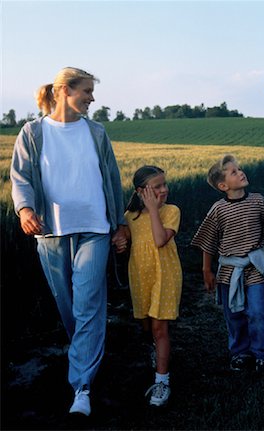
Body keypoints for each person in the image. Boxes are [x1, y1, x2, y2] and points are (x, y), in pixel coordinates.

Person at [10, 67, 128, 417]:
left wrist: (119, 224)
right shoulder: (32, 132)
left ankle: (82, 387)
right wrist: (25, 209)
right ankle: (88, 358)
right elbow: (21, 177)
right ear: (64, 91)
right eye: (87, 91)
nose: (92, 98)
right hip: (50, 232)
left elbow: (111, 177)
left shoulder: (96, 132)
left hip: (95, 228)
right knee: (69, 306)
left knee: (89, 303)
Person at [191, 154, 264, 373]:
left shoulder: (258, 201)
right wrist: (206, 270)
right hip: (229, 271)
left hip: (255, 269)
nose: (241, 172)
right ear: (223, 185)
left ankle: (262, 352)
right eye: (234, 172)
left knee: (257, 311)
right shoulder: (218, 210)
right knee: (233, 314)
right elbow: (208, 242)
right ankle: (240, 352)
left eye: (240, 169)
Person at [124, 165, 182, 407]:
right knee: (147, 327)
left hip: (165, 276)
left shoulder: (171, 212)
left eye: (165, 185)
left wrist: (153, 210)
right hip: (140, 276)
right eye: (157, 187)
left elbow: (159, 240)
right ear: (141, 191)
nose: (164, 190)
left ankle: (162, 381)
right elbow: (123, 239)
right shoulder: (130, 217)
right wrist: (118, 239)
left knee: (160, 329)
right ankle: (157, 351)